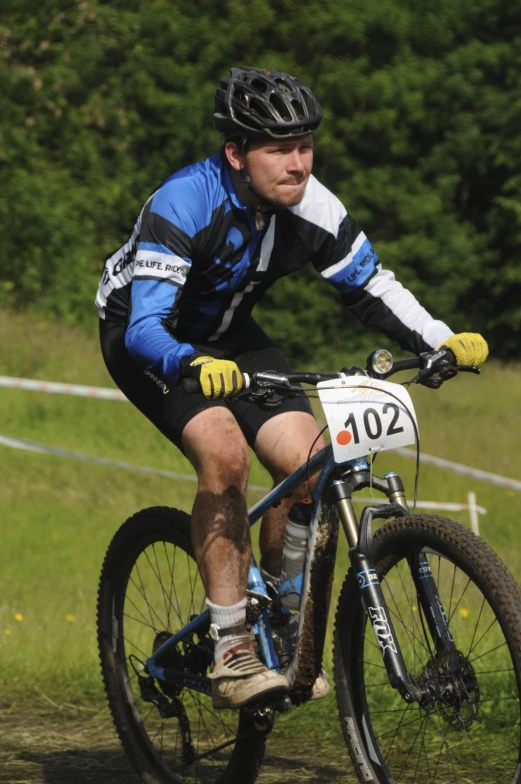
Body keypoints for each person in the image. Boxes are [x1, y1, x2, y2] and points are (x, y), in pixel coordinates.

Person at [95, 66, 489, 710]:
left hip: (232, 336)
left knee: (311, 463)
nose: (298, 163)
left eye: (305, 145)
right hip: (148, 335)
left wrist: (440, 339)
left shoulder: (312, 204)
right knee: (225, 454)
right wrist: (190, 365)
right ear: (235, 154)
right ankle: (230, 647)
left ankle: (283, 614)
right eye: (279, 149)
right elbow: (145, 327)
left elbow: (371, 285)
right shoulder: (184, 201)